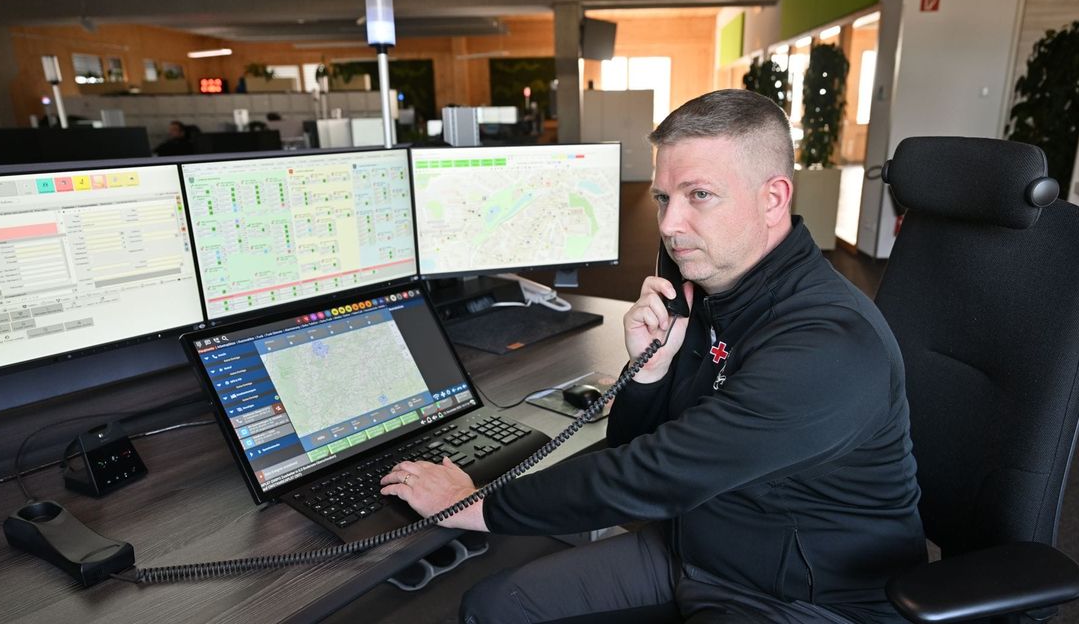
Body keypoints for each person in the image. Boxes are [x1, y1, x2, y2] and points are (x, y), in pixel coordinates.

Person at [380, 89, 927, 623]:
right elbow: (633, 444)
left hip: (803, 597)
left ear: (773, 198)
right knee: (492, 607)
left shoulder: (827, 344)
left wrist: (475, 503)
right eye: (665, 198)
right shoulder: (713, 293)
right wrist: (651, 369)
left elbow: (649, 476)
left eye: (700, 196)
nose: (667, 225)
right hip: (701, 548)